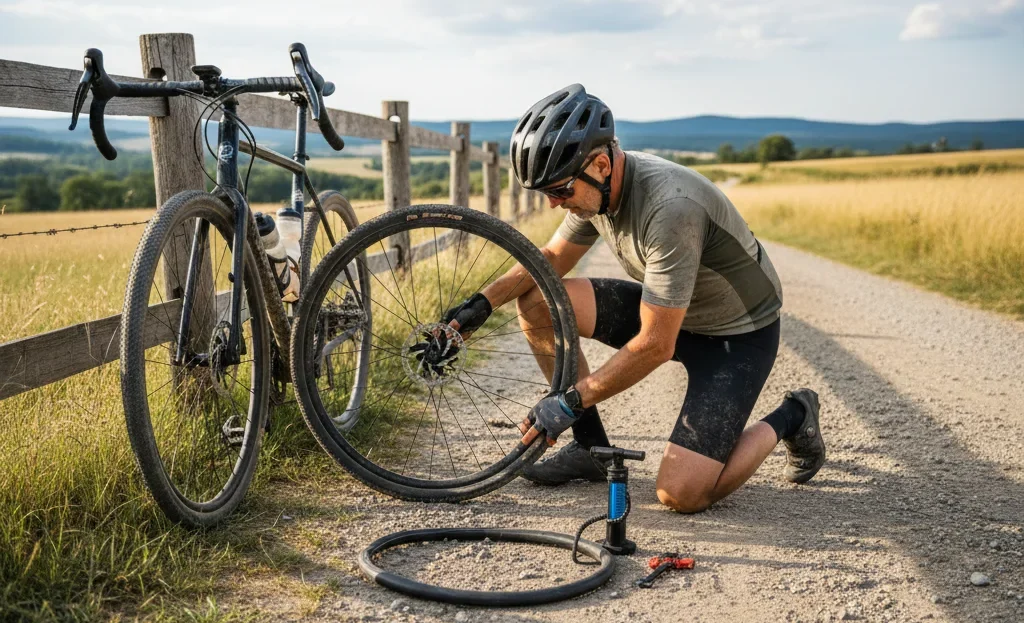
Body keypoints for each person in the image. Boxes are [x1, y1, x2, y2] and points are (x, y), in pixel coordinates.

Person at [443, 84, 824, 513]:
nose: (553, 204)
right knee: (537, 301)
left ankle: (794, 414)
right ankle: (589, 448)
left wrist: (569, 401)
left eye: (560, 191)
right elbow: (549, 259)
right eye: (545, 193)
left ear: (601, 164)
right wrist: (478, 306)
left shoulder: (670, 208)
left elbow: (655, 345)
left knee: (681, 495)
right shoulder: (598, 193)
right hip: (674, 313)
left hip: (737, 336)